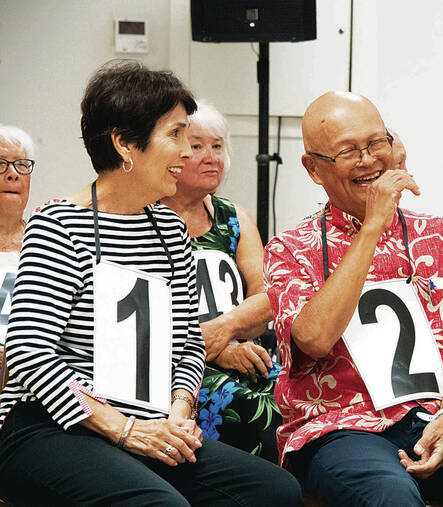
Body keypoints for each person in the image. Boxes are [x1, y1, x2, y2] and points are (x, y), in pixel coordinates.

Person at [0, 61, 301, 506]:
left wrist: (179, 412)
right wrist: (123, 429)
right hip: (50, 425)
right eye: (175, 135)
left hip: (148, 422)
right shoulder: (58, 225)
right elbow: (29, 354)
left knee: (275, 489)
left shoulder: (169, 229)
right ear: (124, 144)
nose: (187, 152)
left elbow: (186, 346)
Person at [264, 91, 443, 507]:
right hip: (341, 427)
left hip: (442, 415)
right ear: (313, 169)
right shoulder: (290, 249)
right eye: (348, 151)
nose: (369, 159)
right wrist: (372, 225)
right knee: (389, 493)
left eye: (378, 143)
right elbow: (314, 339)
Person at [161, 100, 281, 462]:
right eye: (196, 146)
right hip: (174, 366)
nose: (211, 156)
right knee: (248, 407)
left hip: (244, 351)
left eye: (217, 146)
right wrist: (209, 348)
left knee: (292, 395)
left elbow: (268, 296)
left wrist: (223, 332)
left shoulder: (234, 217)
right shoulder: (143, 220)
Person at [0, 124, 35, 392]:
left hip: (29, 384)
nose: (12, 175)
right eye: (1, 164)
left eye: (21, 165)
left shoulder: (46, 243)